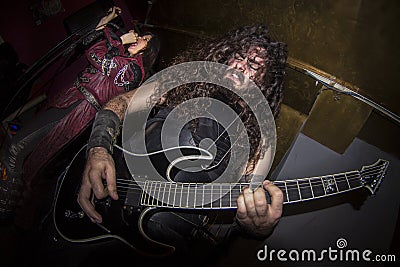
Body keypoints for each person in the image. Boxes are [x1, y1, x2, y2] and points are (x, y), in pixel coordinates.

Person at [78, 24, 287, 256]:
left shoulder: (259, 142)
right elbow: (120, 105)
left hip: (158, 243)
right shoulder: (184, 83)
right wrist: (98, 149)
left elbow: (242, 207)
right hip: (111, 190)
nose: (238, 67)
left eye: (252, 66)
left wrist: (255, 227)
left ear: (265, 82)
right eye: (236, 57)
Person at [0, 6, 159, 223]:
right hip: (71, 101)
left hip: (78, 111)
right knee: (23, 153)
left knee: (16, 148)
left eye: (145, 39)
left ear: (149, 50)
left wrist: (120, 41)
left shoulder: (134, 70)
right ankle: (8, 205)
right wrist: (108, 19)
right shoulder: (123, 57)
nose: (139, 37)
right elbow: (92, 40)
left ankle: (4, 211)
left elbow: (96, 53)